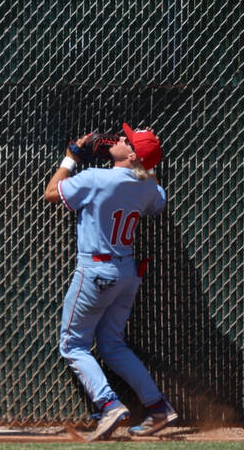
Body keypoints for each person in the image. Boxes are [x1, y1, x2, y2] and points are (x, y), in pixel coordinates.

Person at [43, 123, 180, 441]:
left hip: (96, 271)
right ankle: (159, 408)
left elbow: (51, 193)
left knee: (73, 345)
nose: (118, 139)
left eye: (126, 140)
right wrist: (147, 160)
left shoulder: (95, 178)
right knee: (112, 345)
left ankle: (109, 405)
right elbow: (159, 201)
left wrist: (70, 158)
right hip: (126, 273)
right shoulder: (147, 187)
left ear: (131, 154)